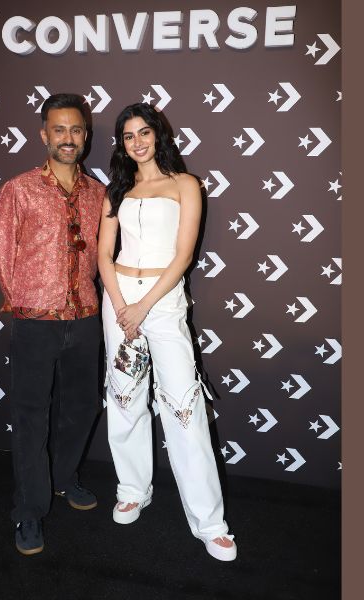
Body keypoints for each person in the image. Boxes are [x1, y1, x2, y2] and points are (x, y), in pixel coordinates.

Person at [97, 102, 237, 561]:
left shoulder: (185, 185)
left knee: (183, 407)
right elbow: (103, 254)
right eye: (128, 136)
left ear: (158, 134)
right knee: (124, 397)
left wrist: (143, 306)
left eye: (144, 132)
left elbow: (183, 255)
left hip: (161, 300)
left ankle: (210, 523)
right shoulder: (117, 189)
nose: (137, 142)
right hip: (119, 300)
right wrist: (121, 306)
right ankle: (132, 489)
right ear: (122, 144)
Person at [0, 93, 106, 556]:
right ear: (44, 135)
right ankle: (29, 510)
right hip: (35, 321)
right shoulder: (18, 189)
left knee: (82, 407)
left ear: (85, 135)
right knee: (31, 417)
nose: (68, 138)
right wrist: (26, 302)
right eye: (59, 129)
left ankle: (63, 477)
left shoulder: (98, 194)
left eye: (76, 129)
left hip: (86, 319)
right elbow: (4, 254)